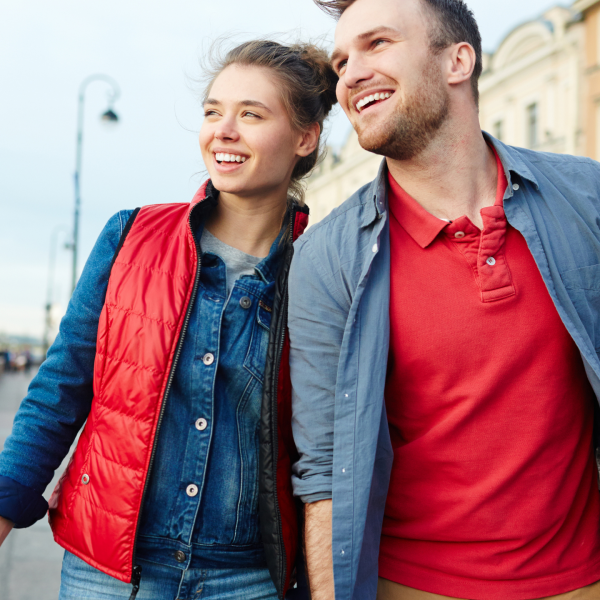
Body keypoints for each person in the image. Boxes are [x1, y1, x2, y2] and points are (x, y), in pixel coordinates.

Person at [0, 39, 337, 600]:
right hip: (106, 572)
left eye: (251, 114)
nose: (223, 130)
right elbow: (61, 388)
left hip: (247, 579)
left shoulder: (324, 271)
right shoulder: (130, 237)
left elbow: (326, 447)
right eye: (213, 111)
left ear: (306, 138)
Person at [288, 1, 600, 599]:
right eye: (342, 60)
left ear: (458, 60)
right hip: (412, 585)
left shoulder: (583, 198)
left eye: (377, 44)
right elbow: (324, 471)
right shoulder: (327, 259)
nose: (350, 74)